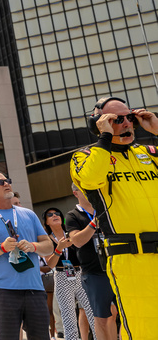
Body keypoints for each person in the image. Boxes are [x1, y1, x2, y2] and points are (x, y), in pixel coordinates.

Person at [70, 95, 158, 337]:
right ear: (99, 123)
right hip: (131, 258)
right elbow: (90, 179)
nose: (127, 123)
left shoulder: (151, 153)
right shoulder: (85, 156)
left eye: (130, 117)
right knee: (146, 329)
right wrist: (105, 138)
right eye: (117, 119)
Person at [0, 173, 54, 340]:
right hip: (4, 291)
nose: (6, 183)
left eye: (8, 180)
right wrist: (2, 247)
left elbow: (49, 246)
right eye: (0, 182)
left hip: (35, 290)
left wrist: (33, 246)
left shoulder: (28, 214)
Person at [63, 183, 118, 340]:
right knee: (101, 317)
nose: (90, 192)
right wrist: (94, 223)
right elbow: (77, 241)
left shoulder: (105, 210)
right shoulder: (72, 216)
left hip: (117, 268)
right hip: (94, 272)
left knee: (116, 315)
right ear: (76, 193)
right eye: (85, 189)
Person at [42, 206, 94, 340]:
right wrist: (59, 249)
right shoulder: (47, 240)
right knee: (68, 319)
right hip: (61, 276)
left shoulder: (72, 232)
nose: (55, 215)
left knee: (93, 314)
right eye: (50, 215)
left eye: (57, 213)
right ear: (46, 222)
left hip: (80, 273)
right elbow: (50, 264)